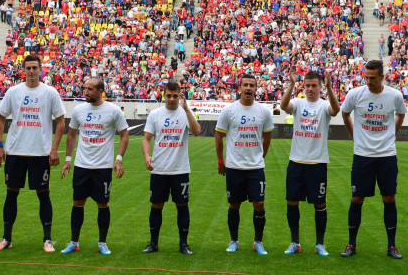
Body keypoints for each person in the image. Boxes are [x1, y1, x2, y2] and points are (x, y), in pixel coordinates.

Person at [0, 54, 66, 252]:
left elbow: (61, 122)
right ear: (23, 70)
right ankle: (6, 238)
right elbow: (0, 119)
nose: (32, 71)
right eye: (28, 68)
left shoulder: (50, 92)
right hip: (15, 152)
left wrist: (54, 149)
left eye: (35, 68)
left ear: (40, 69)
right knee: (11, 194)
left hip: (40, 153)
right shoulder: (13, 91)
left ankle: (47, 240)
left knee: (44, 195)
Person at [339, 59, 407, 259]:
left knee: (389, 199)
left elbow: (401, 115)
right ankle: (351, 244)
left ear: (382, 77)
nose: (368, 81)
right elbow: (345, 114)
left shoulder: (394, 95)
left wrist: (391, 134)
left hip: (387, 156)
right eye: (366, 77)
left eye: (373, 78)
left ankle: (392, 246)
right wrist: (354, 136)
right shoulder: (355, 94)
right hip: (362, 155)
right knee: (356, 199)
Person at [59, 78, 129, 255]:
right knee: (77, 202)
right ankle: (74, 242)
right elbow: (71, 134)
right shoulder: (79, 110)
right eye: (85, 88)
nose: (86, 92)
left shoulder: (113, 110)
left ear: (100, 91)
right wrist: (68, 159)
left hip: (103, 167)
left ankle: (102, 243)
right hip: (81, 165)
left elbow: (124, 134)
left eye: (90, 89)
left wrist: (119, 159)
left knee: (103, 204)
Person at [280, 70, 340, 256]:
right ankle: (295, 242)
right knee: (292, 202)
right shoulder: (298, 103)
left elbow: (336, 110)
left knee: (319, 204)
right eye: (307, 85)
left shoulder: (324, 105)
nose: (311, 89)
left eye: (314, 85)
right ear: (303, 86)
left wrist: (330, 89)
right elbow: (283, 106)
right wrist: (291, 84)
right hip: (296, 161)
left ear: (320, 86)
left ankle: (320, 244)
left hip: (317, 162)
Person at [215, 74, 274, 255]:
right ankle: (234, 241)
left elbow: (268, 136)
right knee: (234, 204)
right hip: (234, 167)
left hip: (256, 168)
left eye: (252, 85)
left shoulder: (264, 111)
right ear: (239, 88)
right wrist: (221, 160)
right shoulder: (229, 111)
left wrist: (261, 156)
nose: (248, 88)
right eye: (245, 85)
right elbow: (219, 136)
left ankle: (258, 242)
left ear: (256, 89)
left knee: (259, 203)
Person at [141, 82, 201, 255]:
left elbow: (197, 131)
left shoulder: (185, 113)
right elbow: (146, 139)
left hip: (180, 169)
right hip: (159, 169)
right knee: (156, 205)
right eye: (169, 95)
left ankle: (183, 244)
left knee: (182, 205)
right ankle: (153, 243)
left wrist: (187, 109)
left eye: (175, 96)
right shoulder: (155, 114)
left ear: (180, 95)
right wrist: (146, 155)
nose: (172, 99)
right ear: (164, 95)